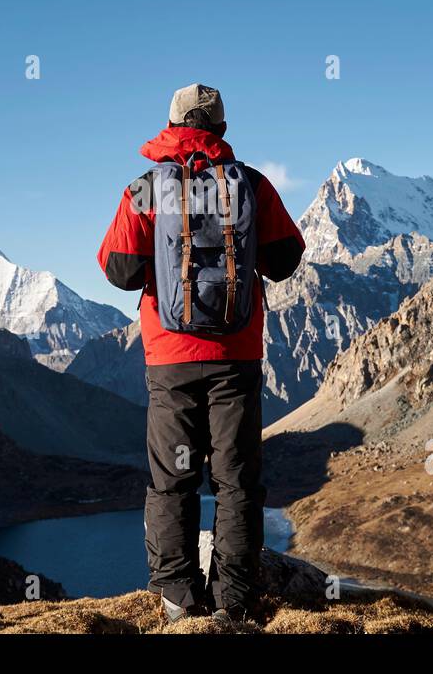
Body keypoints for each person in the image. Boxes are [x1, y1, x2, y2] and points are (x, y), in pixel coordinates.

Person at [97, 83, 305, 625]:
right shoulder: (252, 185)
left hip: (169, 358)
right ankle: (232, 602)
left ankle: (179, 599)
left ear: (170, 125)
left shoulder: (146, 189)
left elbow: (117, 269)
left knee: (172, 479)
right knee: (235, 481)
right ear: (221, 129)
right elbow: (287, 259)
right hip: (235, 355)